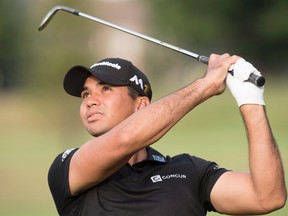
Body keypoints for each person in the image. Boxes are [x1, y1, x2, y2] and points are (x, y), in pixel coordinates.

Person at [48, 54, 286, 216]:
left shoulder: (188, 171)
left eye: (106, 89)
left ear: (141, 105)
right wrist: (205, 85)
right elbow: (123, 141)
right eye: (85, 95)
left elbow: (268, 196)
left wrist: (250, 100)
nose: (90, 101)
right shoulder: (68, 167)